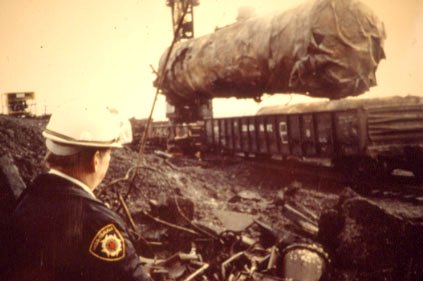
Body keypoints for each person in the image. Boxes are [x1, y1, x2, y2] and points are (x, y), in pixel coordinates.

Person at [6, 105, 152, 281]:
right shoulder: (100, 223)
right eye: (109, 154)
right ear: (95, 160)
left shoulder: (28, 199)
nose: (109, 160)